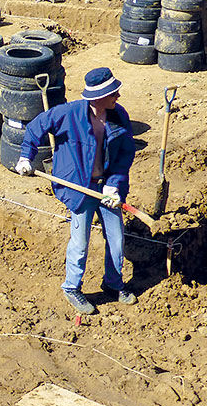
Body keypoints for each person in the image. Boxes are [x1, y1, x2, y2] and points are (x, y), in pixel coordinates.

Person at [15, 67, 137, 314]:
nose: (118, 96)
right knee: (80, 243)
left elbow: (125, 153)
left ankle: (113, 284)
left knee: (116, 239)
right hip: (80, 188)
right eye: (113, 93)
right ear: (98, 97)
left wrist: (114, 184)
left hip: (107, 189)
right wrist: (26, 157)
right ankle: (71, 287)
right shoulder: (68, 114)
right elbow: (35, 128)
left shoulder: (119, 116)